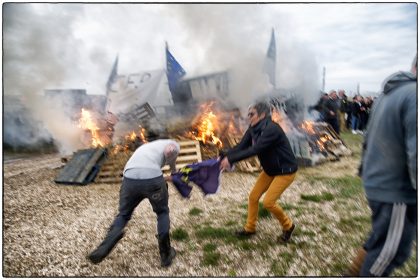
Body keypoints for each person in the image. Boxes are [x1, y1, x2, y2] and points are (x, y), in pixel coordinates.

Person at [345, 55, 417, 277]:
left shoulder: (388, 94)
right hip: (396, 191)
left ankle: (353, 273)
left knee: (381, 239)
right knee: (391, 253)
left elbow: (368, 139)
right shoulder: (414, 95)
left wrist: (363, 169)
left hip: (378, 182)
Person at [87, 139, 180, 267]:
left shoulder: (147, 147)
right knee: (162, 212)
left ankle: (104, 247)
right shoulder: (174, 144)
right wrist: (174, 171)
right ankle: (166, 255)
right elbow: (170, 150)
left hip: (129, 180)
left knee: (123, 214)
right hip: (152, 180)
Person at [220, 101, 298, 242]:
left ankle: (288, 226)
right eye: (248, 114)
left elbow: (255, 150)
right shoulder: (253, 128)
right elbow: (242, 146)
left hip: (286, 170)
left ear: (262, 114)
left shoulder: (271, 129)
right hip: (271, 169)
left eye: (252, 114)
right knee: (253, 197)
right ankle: (250, 228)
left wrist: (231, 160)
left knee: (268, 202)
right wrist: (226, 155)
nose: (249, 117)